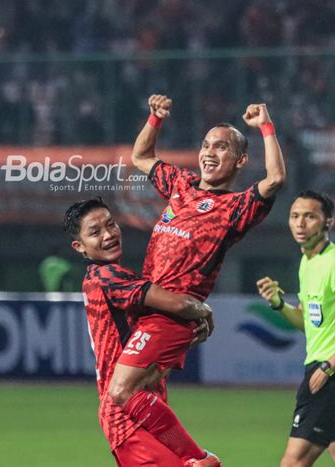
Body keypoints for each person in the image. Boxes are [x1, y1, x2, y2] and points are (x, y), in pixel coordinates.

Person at [111, 92, 286, 432]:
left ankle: (197, 458)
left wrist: (265, 126)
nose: (209, 152)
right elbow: (141, 155)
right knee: (142, 409)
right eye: (207, 145)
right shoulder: (182, 184)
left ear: (240, 161)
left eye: (221, 147)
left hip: (174, 313)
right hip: (147, 307)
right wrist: (155, 119)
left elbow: (276, 179)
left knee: (120, 392)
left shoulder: (235, 208)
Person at [64, 197, 219, 467]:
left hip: (140, 409)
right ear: (80, 247)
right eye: (95, 231)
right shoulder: (107, 276)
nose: (109, 234)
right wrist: (204, 311)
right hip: (127, 415)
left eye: (111, 224)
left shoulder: (107, 277)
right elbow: (180, 303)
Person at [256, 190, 335, 467]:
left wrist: (328, 368)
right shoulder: (307, 262)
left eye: (310, 216)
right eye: (295, 216)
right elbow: (308, 323)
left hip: (333, 375)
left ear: (328, 223)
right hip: (333, 373)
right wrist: (278, 304)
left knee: (293, 462)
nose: (300, 223)